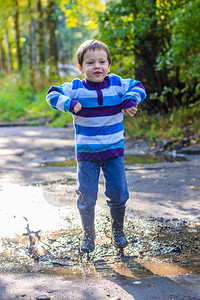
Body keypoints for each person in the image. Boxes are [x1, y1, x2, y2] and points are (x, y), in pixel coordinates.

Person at [46, 39, 146, 254]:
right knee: (87, 196)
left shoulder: (118, 84)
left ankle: (117, 232)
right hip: (87, 155)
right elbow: (52, 94)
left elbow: (138, 86)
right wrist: (69, 104)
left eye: (102, 61)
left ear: (109, 65)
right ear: (81, 68)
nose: (97, 66)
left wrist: (130, 100)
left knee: (119, 193)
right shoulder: (75, 88)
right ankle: (89, 236)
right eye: (90, 63)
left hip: (113, 152)